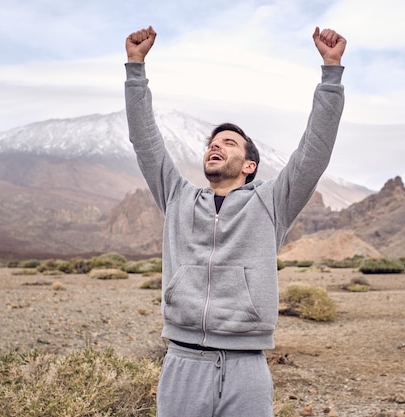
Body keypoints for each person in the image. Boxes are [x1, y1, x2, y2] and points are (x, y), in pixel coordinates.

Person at [125, 24, 346, 417]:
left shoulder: (271, 203)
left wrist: (331, 74)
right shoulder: (178, 198)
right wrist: (135, 68)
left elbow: (314, 152)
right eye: (213, 141)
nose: (215, 144)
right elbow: (146, 143)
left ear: (249, 165)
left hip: (247, 366)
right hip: (182, 362)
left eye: (228, 142)